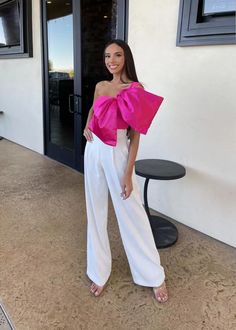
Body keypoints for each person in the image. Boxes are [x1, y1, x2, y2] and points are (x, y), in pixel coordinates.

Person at [83, 39, 168, 303]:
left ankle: (154, 275)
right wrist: (87, 126)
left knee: (131, 212)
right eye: (107, 56)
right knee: (95, 209)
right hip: (94, 148)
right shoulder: (100, 85)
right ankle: (98, 271)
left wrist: (128, 173)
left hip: (117, 149)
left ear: (125, 57)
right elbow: (93, 109)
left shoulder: (135, 89)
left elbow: (135, 136)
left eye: (117, 55)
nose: (112, 61)